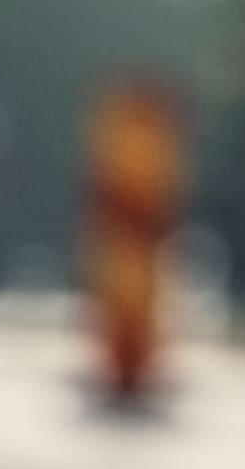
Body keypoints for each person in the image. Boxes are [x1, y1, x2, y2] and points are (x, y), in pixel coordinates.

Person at [79, 74, 190, 415]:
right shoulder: (137, 132)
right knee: (127, 304)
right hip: (129, 241)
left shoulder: (132, 131)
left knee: (136, 304)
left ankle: (133, 365)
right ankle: (124, 365)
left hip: (136, 242)